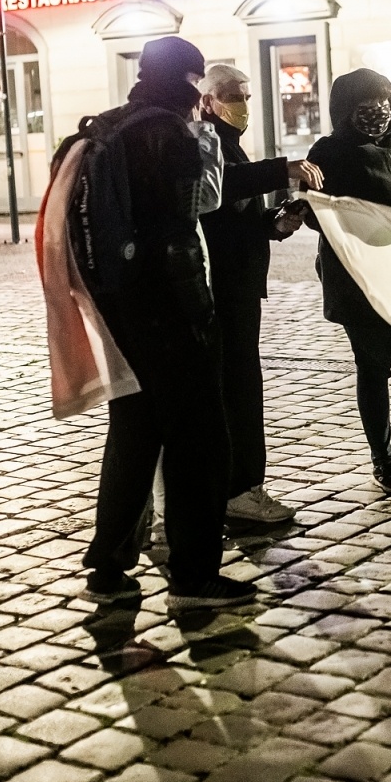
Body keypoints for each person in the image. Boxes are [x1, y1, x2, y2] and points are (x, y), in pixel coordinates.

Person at [80, 36, 254, 613]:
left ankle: (108, 567)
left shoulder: (110, 126)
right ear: (188, 79)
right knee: (200, 439)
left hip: (120, 306)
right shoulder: (167, 131)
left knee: (133, 432)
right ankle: (194, 576)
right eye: (197, 81)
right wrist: (202, 134)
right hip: (172, 308)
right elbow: (199, 203)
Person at [195, 64, 324, 524]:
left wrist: (276, 223)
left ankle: (238, 485)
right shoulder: (204, 142)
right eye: (234, 96)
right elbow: (222, 188)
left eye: (248, 96)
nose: (243, 105)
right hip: (221, 288)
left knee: (241, 385)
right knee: (238, 389)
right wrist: (281, 170)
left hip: (239, 284)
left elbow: (237, 215)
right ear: (208, 100)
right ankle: (240, 488)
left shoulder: (228, 142)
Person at [306, 69, 391, 497]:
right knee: (373, 370)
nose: (377, 112)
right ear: (344, 110)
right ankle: (383, 459)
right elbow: (318, 213)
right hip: (361, 284)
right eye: (365, 105)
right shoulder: (328, 152)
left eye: (383, 102)